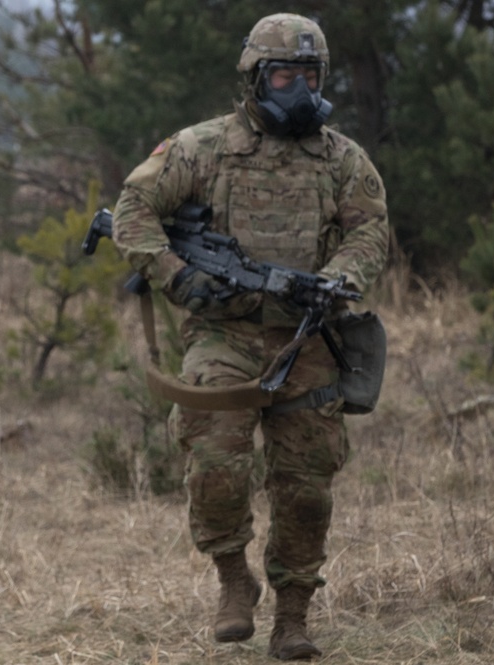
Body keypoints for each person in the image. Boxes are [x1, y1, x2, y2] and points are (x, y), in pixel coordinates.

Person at [111, 13, 389, 661]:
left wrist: (339, 278)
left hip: (308, 336)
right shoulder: (202, 147)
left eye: (309, 74)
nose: (297, 88)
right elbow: (132, 211)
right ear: (254, 78)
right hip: (223, 333)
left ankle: (293, 614)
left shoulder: (344, 160)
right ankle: (234, 579)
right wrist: (177, 277)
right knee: (214, 461)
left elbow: (370, 231)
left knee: (307, 485)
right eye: (284, 74)